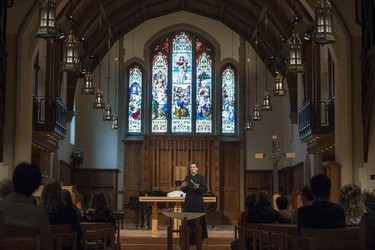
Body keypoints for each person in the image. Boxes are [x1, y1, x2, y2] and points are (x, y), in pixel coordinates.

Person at [0, 162, 53, 250]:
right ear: (36, 187)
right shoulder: (39, 214)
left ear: (14, 181)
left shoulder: (1, 207)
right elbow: (47, 246)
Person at [39, 179, 83, 249]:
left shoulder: (38, 211)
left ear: (44, 192)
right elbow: (78, 234)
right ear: (60, 193)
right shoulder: (70, 211)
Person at [181, 163, 208, 244]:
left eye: (194, 167)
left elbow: (205, 189)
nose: (192, 168)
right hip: (189, 200)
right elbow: (185, 190)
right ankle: (188, 237)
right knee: (188, 218)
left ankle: (200, 236)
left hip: (197, 200)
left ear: (197, 168)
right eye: (191, 167)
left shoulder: (201, 177)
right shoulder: (187, 177)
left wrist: (198, 187)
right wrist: (182, 187)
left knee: (199, 218)